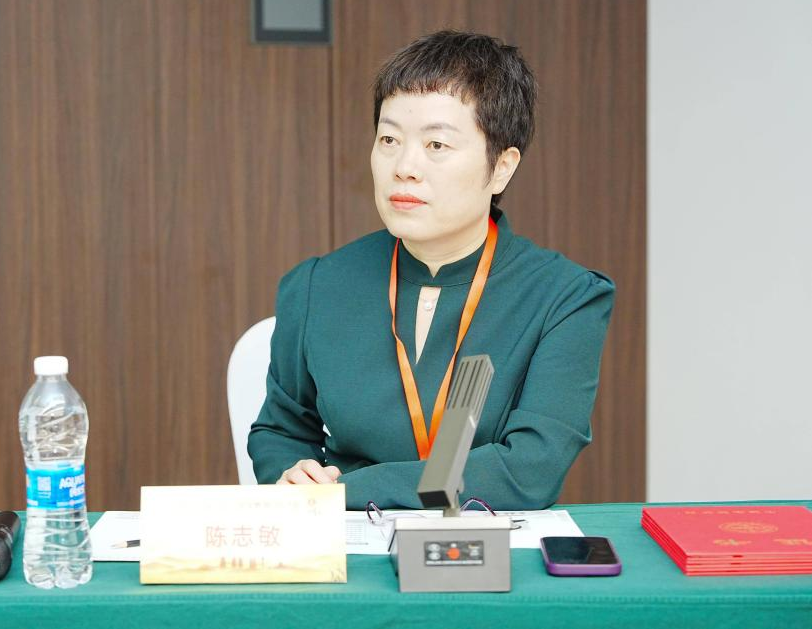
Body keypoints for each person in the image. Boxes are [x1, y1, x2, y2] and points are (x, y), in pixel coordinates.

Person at [247, 30, 615, 511]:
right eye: (389, 139)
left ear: (502, 167)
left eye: (437, 144)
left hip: (483, 541)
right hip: (349, 542)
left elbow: (531, 469)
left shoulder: (565, 297)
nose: (405, 166)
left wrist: (347, 491)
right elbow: (280, 431)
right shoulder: (318, 286)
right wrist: (294, 475)